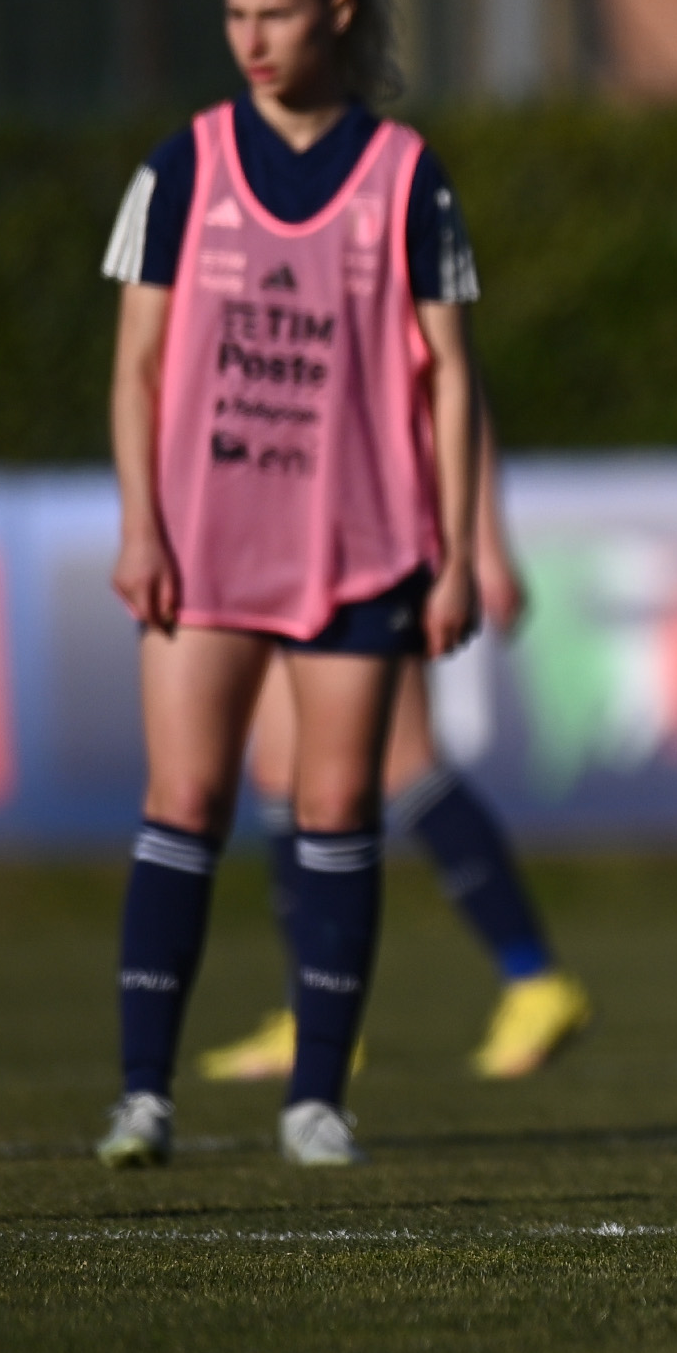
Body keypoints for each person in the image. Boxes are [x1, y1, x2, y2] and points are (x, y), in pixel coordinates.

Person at [94, 0, 490, 1170]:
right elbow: (139, 366)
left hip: (361, 546)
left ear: (336, 13)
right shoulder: (184, 165)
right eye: (233, 16)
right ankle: (143, 1097)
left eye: (273, 12)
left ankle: (317, 1097)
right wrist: (142, 523)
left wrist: (460, 551)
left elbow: (448, 380)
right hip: (207, 547)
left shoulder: (407, 174)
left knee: (333, 806)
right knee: (186, 802)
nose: (250, 40)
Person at [197, 404, 593, 1085]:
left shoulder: (390, 291)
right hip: (281, 532)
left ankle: (534, 980)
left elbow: (457, 388)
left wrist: (485, 547)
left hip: (369, 533)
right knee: (281, 773)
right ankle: (312, 1016)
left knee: (403, 765)